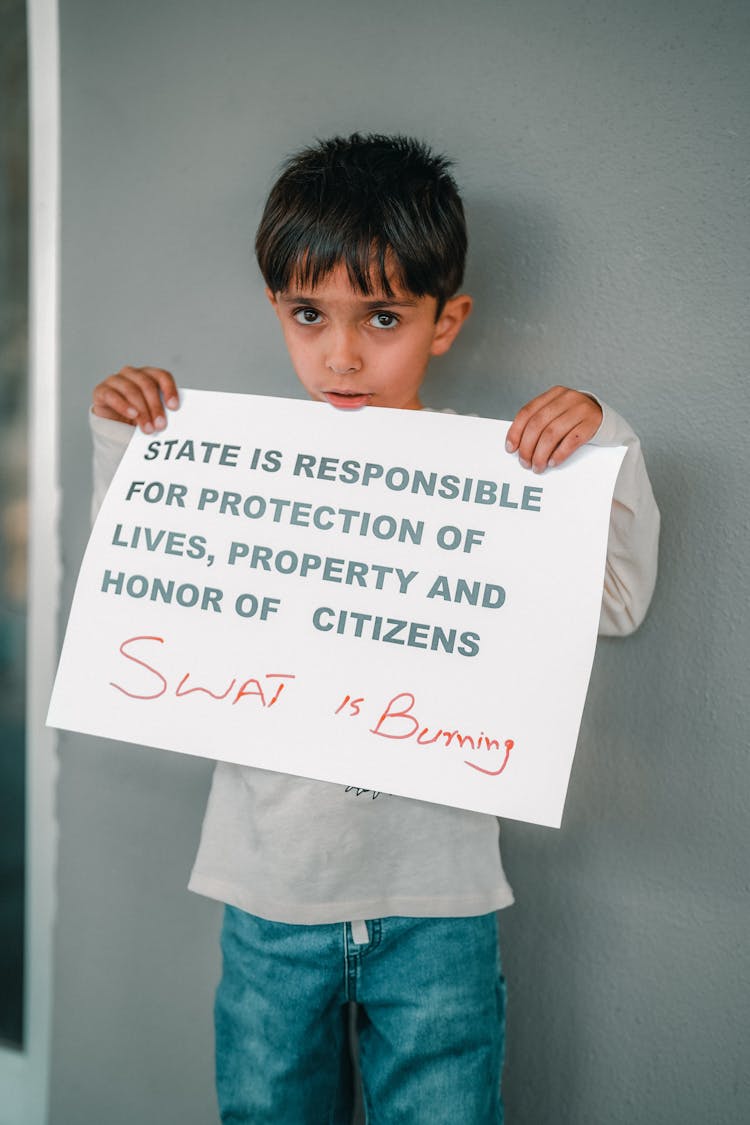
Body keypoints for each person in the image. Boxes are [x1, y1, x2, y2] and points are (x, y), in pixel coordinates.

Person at [90, 133, 660, 1124]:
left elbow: (616, 600)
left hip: (438, 902)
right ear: (277, 308)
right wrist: (124, 444)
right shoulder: (232, 470)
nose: (342, 353)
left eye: (382, 317)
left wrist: (603, 440)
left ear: (447, 322)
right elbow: (148, 596)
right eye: (310, 314)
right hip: (269, 892)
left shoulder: (500, 476)